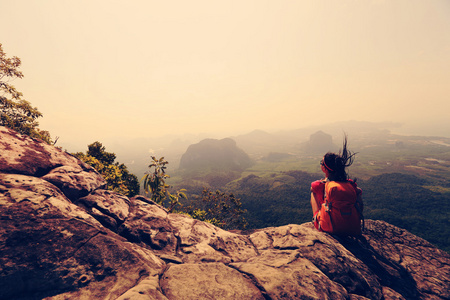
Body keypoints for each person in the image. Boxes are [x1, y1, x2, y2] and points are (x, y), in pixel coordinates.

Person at [310, 135, 363, 236]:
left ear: (325, 169)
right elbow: (359, 194)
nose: (320, 164)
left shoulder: (319, 185)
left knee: (313, 191)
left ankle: (316, 218)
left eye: (322, 163)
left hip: (329, 226)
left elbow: (313, 186)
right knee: (358, 191)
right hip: (351, 227)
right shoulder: (351, 184)